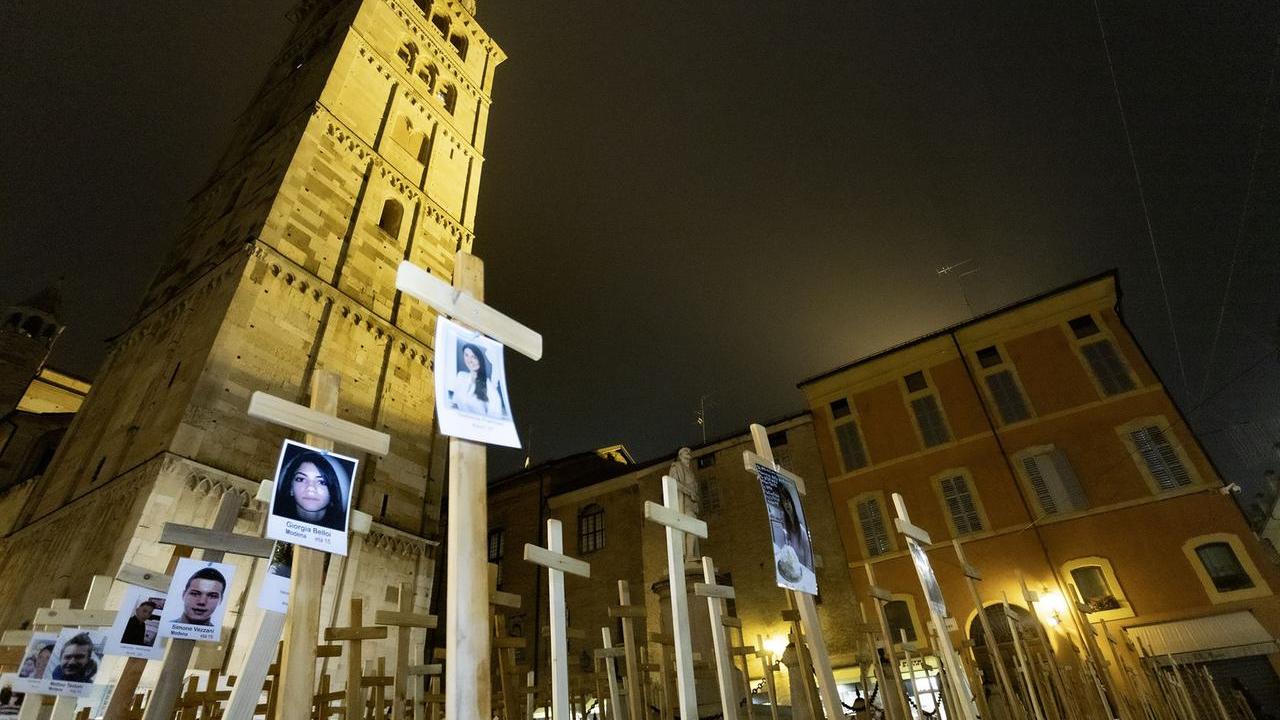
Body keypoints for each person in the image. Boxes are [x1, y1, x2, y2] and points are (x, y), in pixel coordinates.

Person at [272, 449, 348, 531]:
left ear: (333, 491)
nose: (310, 488)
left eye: (321, 482)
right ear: (291, 488)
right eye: (301, 479)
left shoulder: (339, 532)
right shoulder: (276, 525)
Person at [449, 342, 504, 417]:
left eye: (474, 357)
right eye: (466, 355)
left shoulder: (490, 388)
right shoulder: (461, 376)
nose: (470, 360)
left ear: (480, 360)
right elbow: (455, 403)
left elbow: (495, 417)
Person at [773, 483, 813, 582]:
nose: (786, 504)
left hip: (802, 570)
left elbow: (808, 554)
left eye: (787, 501)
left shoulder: (801, 530)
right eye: (784, 502)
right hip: (791, 569)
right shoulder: (785, 525)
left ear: (791, 502)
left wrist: (807, 572)